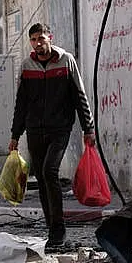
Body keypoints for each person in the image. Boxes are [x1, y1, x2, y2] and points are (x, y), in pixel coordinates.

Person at [9, 23, 96, 251]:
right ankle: (52, 232)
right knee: (42, 180)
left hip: (60, 129)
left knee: (50, 171)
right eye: (34, 40)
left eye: (41, 38)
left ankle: (59, 229)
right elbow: (21, 103)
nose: (38, 43)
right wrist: (15, 135)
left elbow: (80, 96)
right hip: (34, 130)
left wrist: (89, 128)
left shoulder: (66, 61)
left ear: (50, 38)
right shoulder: (27, 65)